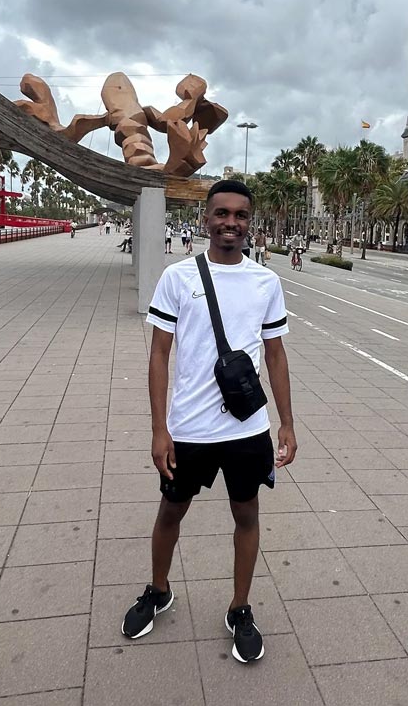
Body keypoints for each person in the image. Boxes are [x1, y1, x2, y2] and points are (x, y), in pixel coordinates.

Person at [121, 179, 296, 663]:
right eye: (222, 214)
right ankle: (158, 590)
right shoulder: (178, 278)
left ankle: (240, 608)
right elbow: (160, 355)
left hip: (246, 431)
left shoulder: (266, 282)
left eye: (240, 215)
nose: (231, 223)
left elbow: (276, 356)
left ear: (249, 223)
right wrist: (160, 429)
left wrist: (287, 422)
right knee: (170, 513)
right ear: (206, 219)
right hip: (189, 430)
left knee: (247, 515)